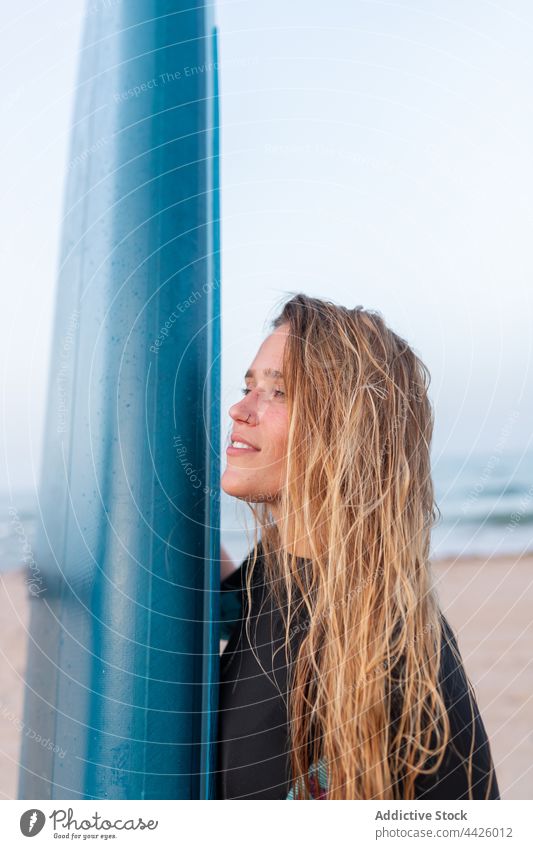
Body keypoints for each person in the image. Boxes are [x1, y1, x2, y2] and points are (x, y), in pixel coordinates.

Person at [216, 293, 500, 801]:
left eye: (277, 392)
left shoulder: (401, 660)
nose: (239, 409)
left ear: (347, 427)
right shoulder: (269, 572)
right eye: (247, 386)